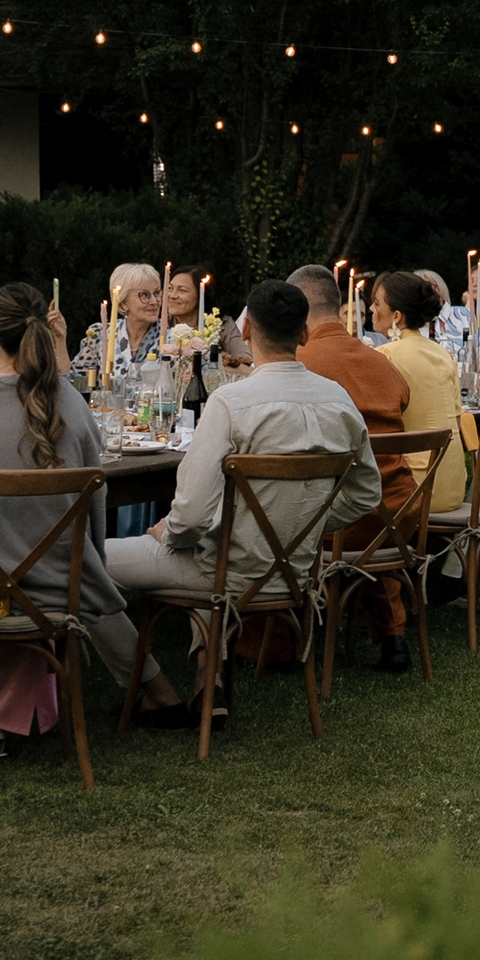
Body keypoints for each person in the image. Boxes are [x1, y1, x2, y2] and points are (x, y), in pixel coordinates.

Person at [0, 282, 187, 758]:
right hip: (62, 588)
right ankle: (154, 691)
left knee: (7, 562)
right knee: (70, 565)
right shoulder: (71, 404)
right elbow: (94, 511)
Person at [105, 280, 382, 700]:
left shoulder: (232, 402)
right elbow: (366, 494)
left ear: (247, 330)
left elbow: (192, 516)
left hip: (223, 569)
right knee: (206, 539)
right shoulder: (338, 400)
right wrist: (302, 525)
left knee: (85, 562)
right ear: (304, 333)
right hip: (292, 569)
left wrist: (170, 532)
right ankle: (208, 675)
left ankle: (153, 690)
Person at [288, 263, 418, 670]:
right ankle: (393, 636)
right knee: (368, 504)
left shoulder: (300, 364)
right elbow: (403, 401)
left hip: (339, 520)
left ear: (299, 310)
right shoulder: (381, 362)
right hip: (396, 512)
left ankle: (271, 642)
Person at [371, 271, 470, 517]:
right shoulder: (443, 354)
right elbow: (456, 422)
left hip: (416, 488)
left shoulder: (386, 355)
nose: (371, 310)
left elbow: (378, 427)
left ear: (396, 315)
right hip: (454, 484)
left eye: (376, 303)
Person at [73, 262, 164, 385]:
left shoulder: (171, 340)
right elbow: (76, 382)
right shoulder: (100, 335)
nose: (154, 301)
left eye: (157, 293)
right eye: (145, 295)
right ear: (123, 303)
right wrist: (60, 339)